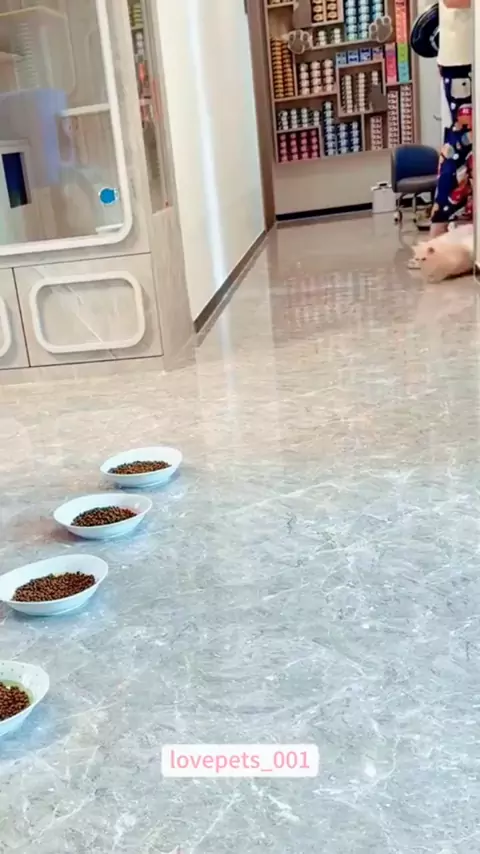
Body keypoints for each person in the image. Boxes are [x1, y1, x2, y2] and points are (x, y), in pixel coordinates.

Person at [430, 0, 473, 237]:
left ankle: (439, 228)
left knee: (462, 144)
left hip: (462, 55)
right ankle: (438, 228)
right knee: (462, 143)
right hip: (463, 58)